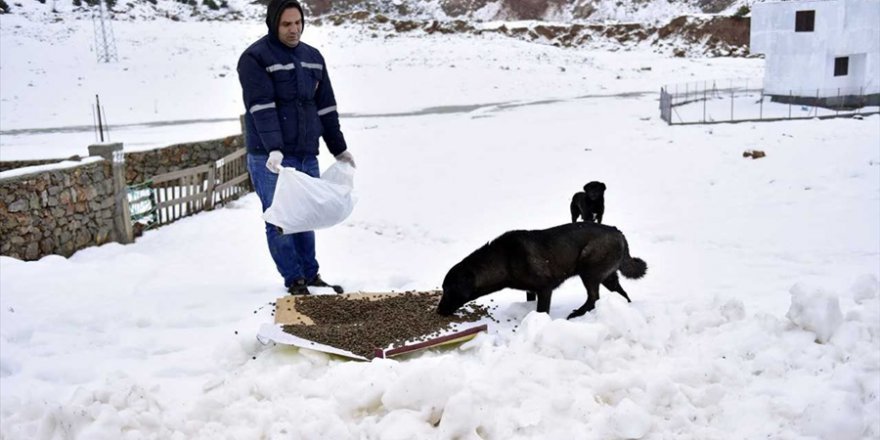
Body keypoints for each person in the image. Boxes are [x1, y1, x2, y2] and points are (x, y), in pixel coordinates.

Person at [238, 0, 355, 295]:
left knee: (306, 215)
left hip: (305, 151)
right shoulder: (255, 58)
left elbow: (326, 106)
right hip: (270, 156)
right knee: (280, 217)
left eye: (298, 23)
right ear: (273, 24)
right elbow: (261, 107)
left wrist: (338, 148)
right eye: (286, 24)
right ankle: (294, 279)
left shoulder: (313, 58)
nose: (294, 30)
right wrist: (274, 147)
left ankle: (311, 274)